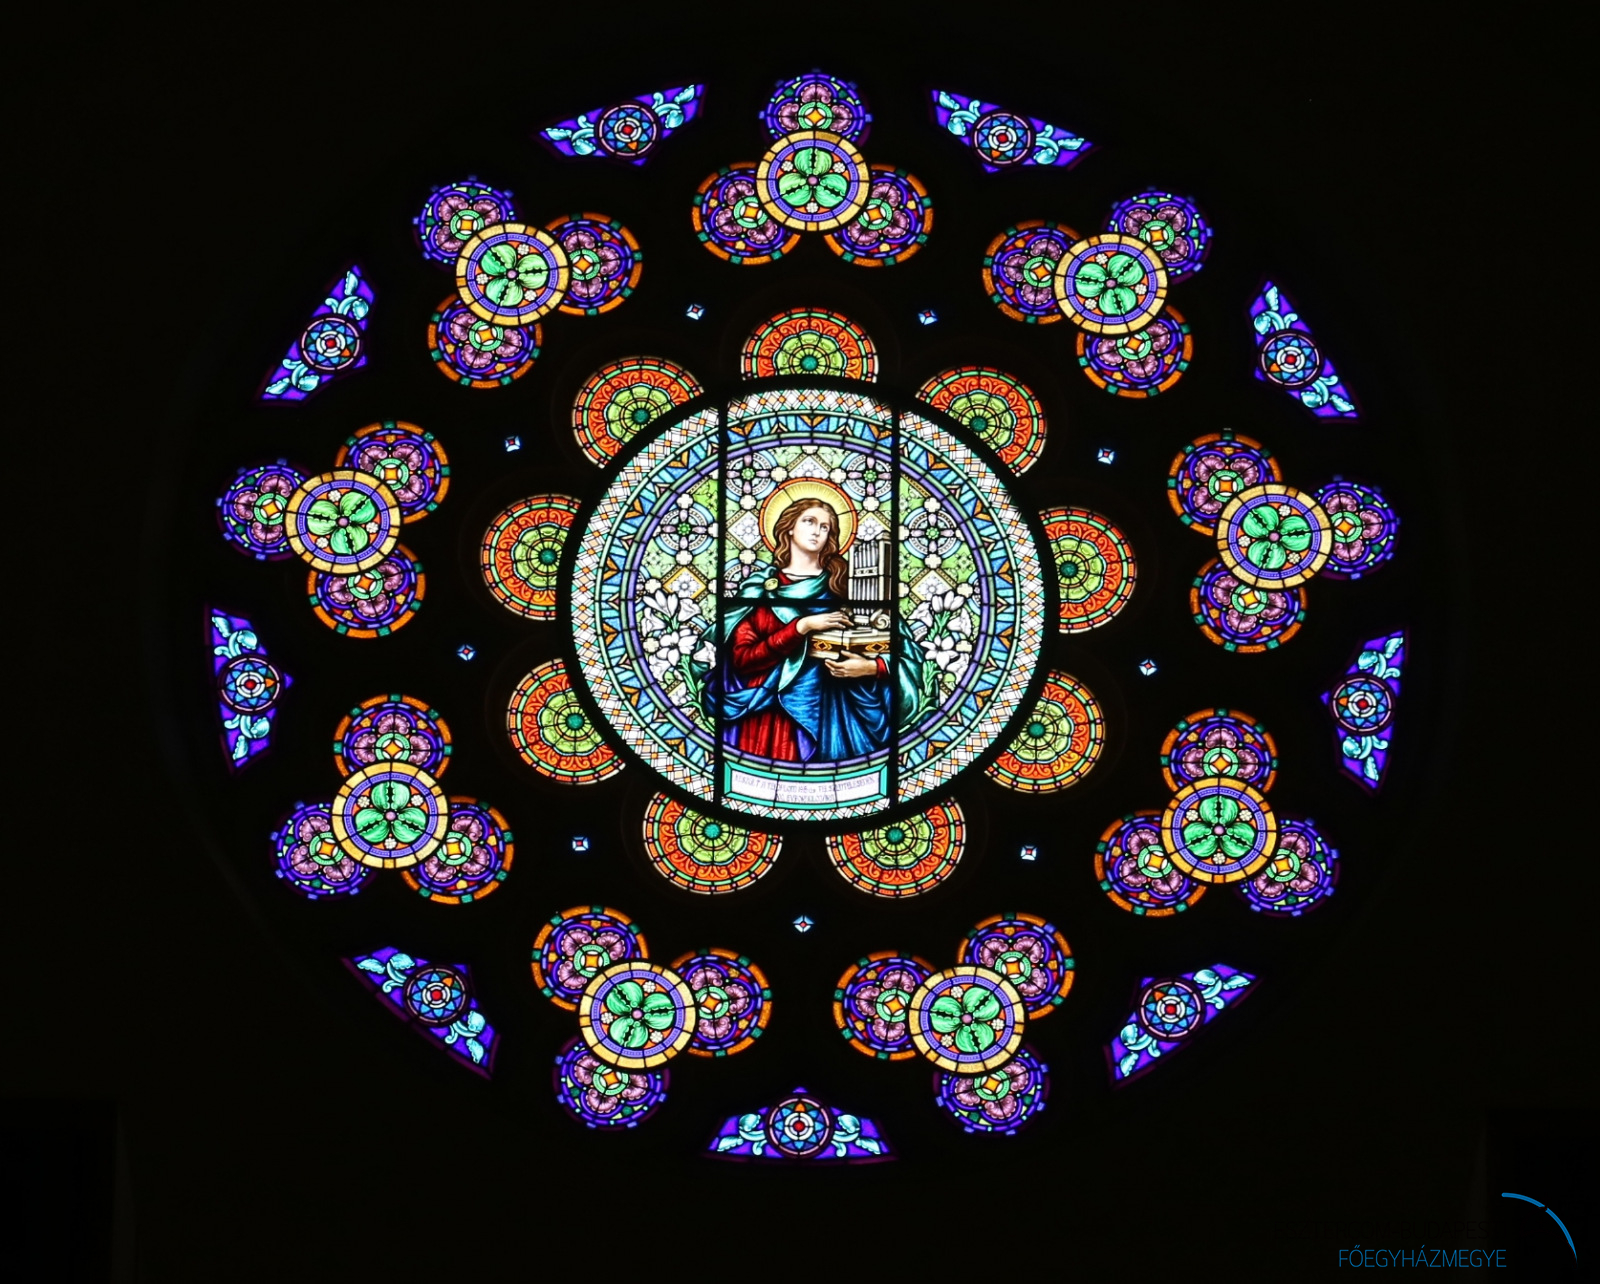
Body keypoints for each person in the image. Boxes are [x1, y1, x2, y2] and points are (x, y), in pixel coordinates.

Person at [700, 496, 922, 762]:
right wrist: (802, 626)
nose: (817, 531)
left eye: (825, 527)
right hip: (773, 712)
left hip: (838, 711)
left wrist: (873, 668)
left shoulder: (850, 586)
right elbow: (743, 660)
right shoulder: (761, 590)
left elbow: (900, 646)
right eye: (809, 521)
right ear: (788, 528)